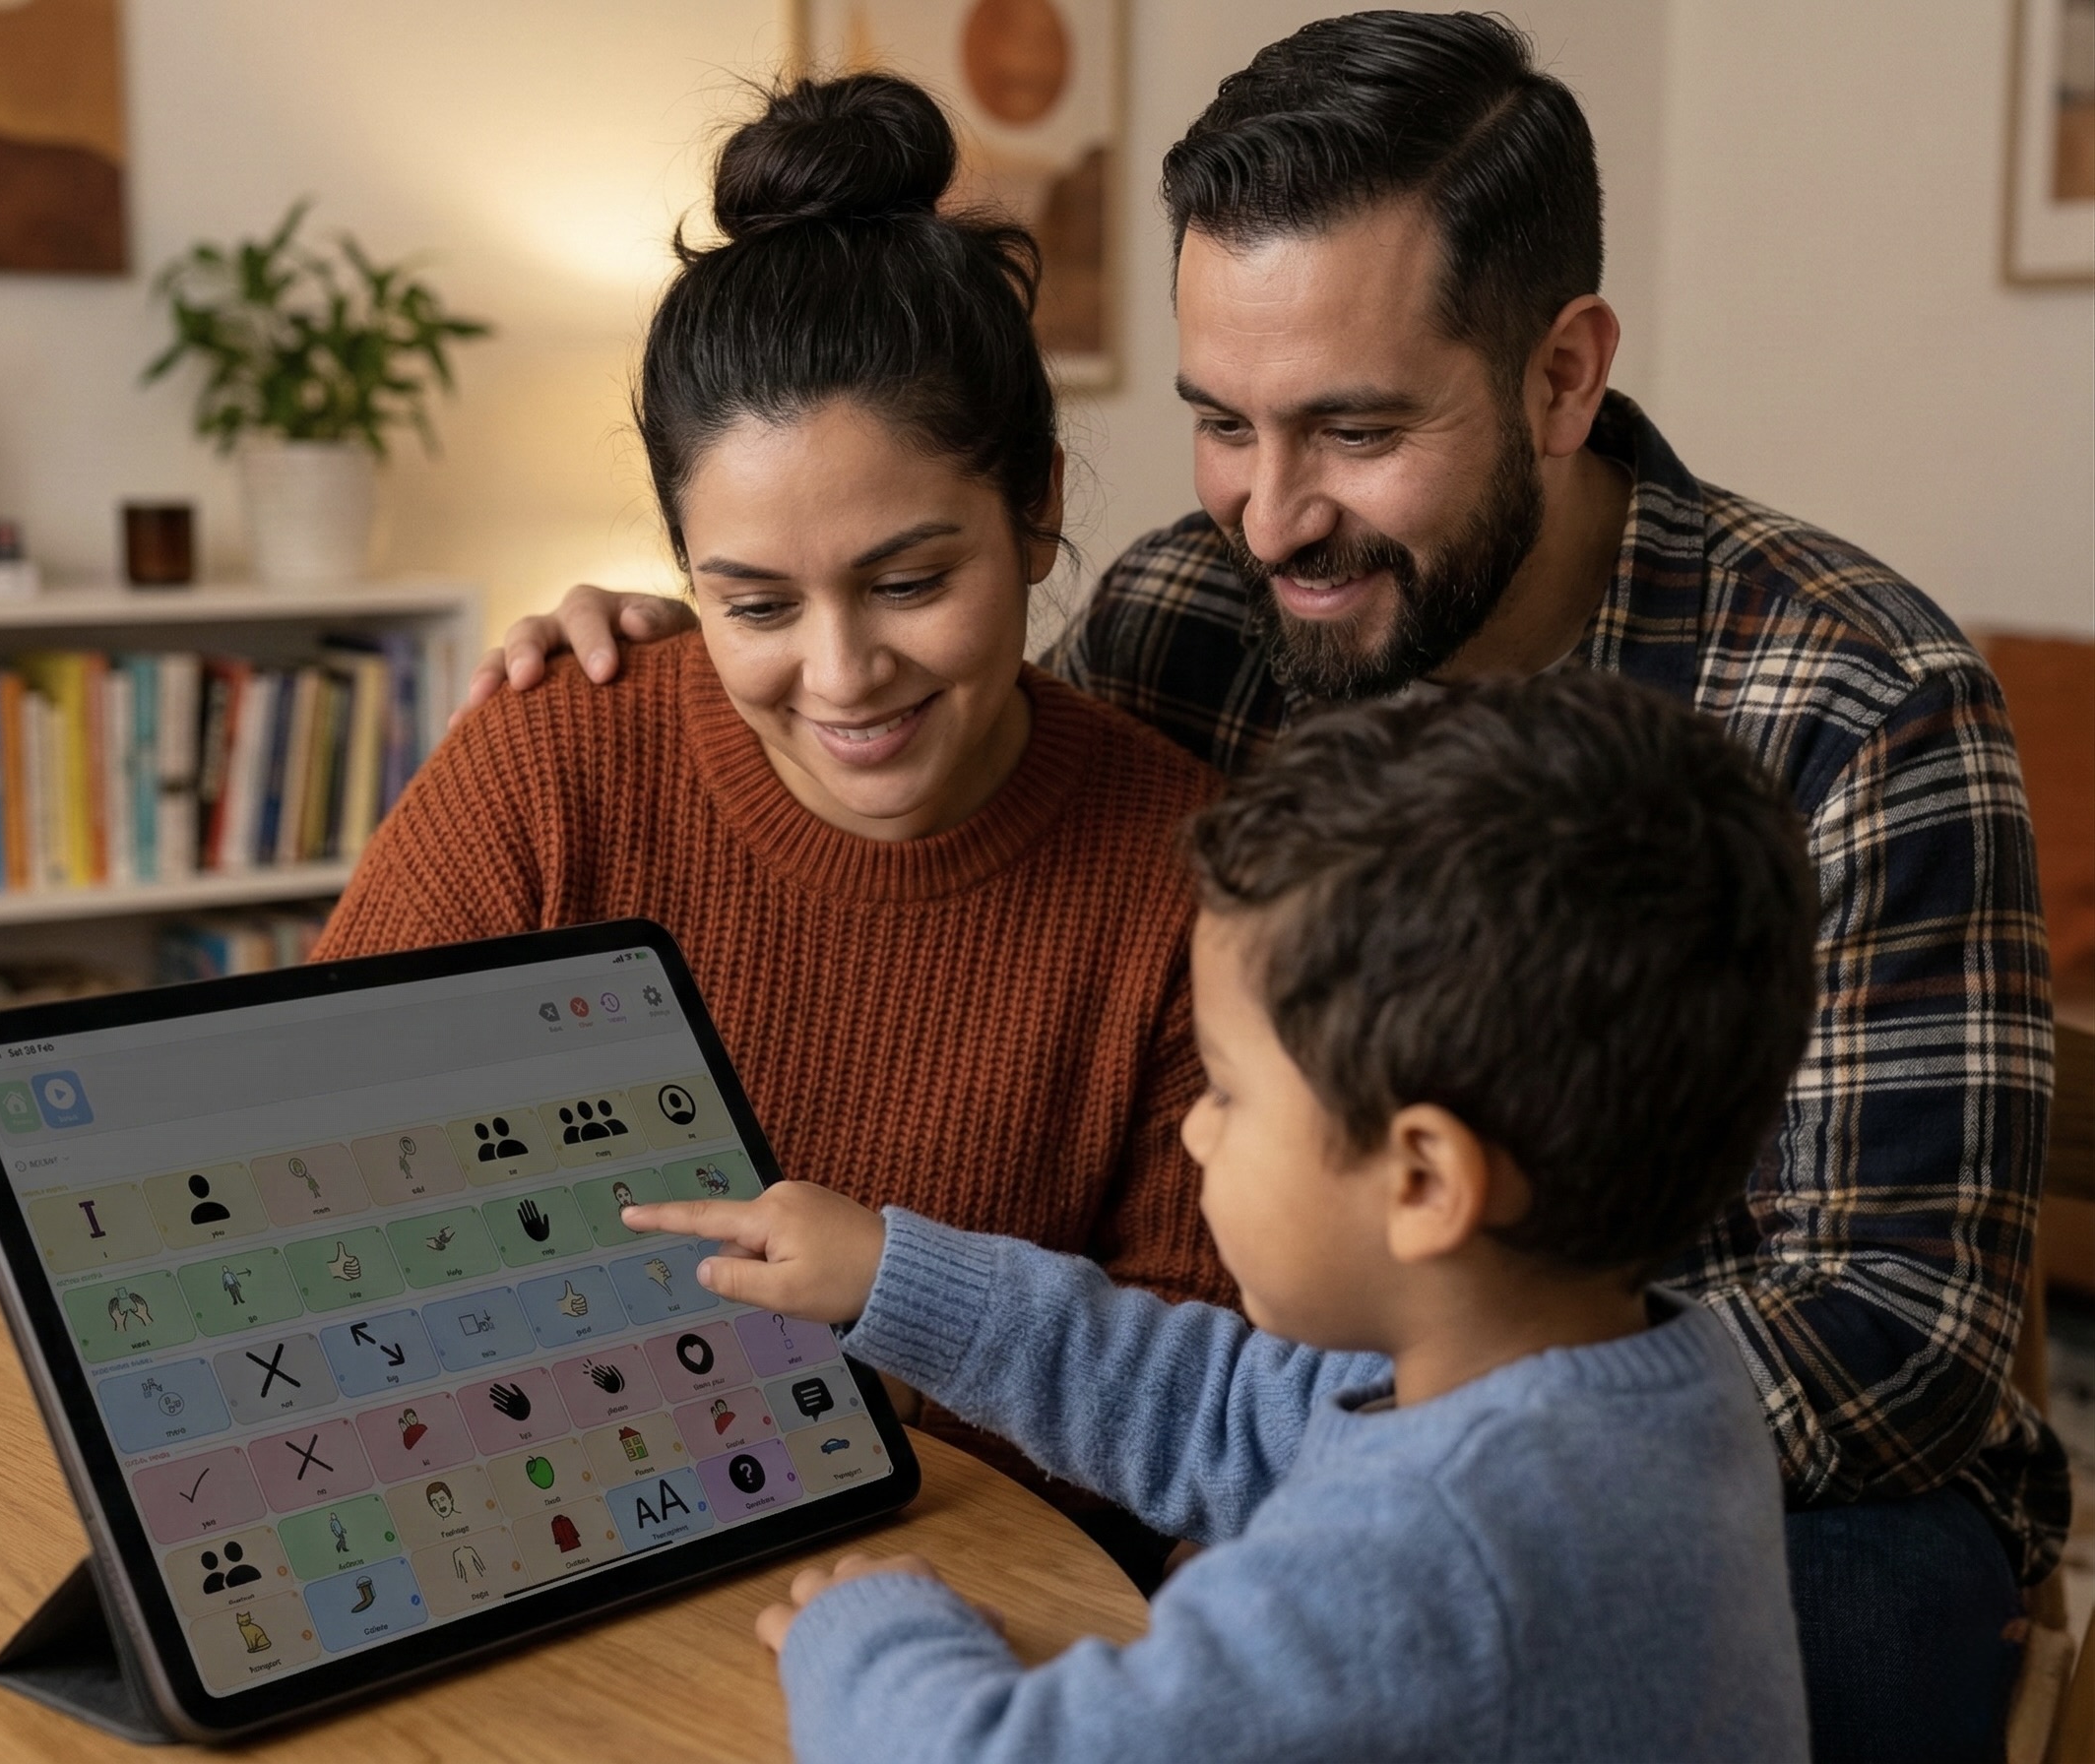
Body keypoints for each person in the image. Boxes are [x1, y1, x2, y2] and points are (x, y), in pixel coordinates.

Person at [473, 16, 2064, 1755]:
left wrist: (1441, 1441)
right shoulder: (1187, 616)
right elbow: (964, 795)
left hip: (1773, 1490)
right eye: (1223, 424)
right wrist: (698, 651)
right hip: (1362, 1387)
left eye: (1353, 427)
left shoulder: (1857, 700)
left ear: (1560, 375)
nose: (1274, 516)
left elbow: (1899, 1338)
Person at [312, 73, 1232, 1578]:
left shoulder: (1185, 870)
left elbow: (1192, 1405)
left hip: (958, 1603)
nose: (841, 674)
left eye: (909, 583)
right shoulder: (554, 759)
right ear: (682, 567)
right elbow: (303, 1189)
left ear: (1038, 508)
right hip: (526, 1535)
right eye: (754, 604)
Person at [624, 672, 1816, 1763]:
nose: (1195, 1130)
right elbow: (1225, 1414)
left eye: (1229, 1093)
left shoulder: (1425, 1552)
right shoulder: (1629, 1376)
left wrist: (871, 1629)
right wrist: (900, 1274)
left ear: (1421, 1182)